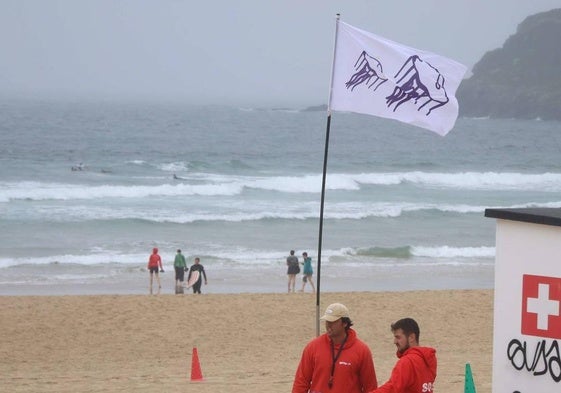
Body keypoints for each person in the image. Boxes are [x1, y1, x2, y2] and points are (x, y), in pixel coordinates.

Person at [292, 303, 378, 393]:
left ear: (344, 323)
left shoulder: (362, 350)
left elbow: (370, 386)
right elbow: (301, 382)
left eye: (332, 322)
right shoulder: (313, 347)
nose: (328, 325)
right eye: (327, 321)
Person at [368, 318, 436, 393]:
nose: (395, 341)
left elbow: (392, 388)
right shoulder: (429, 359)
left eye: (398, 337)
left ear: (411, 337)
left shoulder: (407, 361)